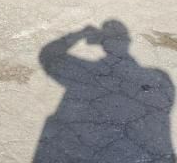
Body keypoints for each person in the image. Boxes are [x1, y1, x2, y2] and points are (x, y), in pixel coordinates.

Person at [35, 20, 175, 162]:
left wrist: (80, 34)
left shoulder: (88, 73)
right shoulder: (159, 76)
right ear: (127, 40)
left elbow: (47, 56)